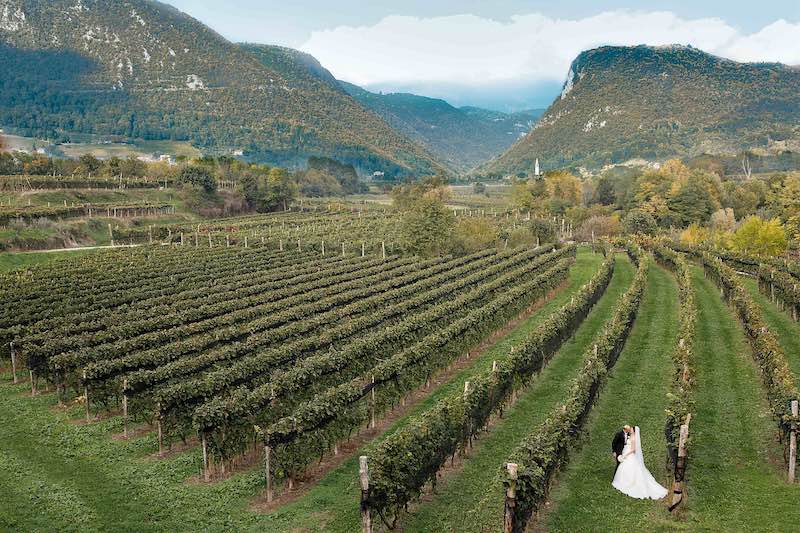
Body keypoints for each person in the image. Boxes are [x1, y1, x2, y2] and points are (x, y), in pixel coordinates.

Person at [612, 425, 668, 500]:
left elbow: (633, 450)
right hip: (625, 452)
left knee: (630, 468)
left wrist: (626, 455)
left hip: (629, 454)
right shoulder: (629, 436)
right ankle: (622, 480)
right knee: (624, 467)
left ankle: (628, 483)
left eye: (631, 429)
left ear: (634, 431)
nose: (630, 430)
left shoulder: (633, 438)